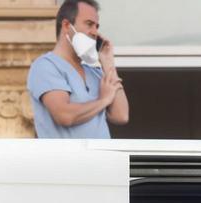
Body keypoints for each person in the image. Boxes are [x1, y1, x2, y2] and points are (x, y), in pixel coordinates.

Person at [26, 0, 129, 139]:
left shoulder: (95, 71)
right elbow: (64, 116)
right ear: (67, 25)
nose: (95, 32)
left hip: (102, 160)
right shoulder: (46, 66)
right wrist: (103, 101)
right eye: (89, 24)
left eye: (97, 26)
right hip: (67, 160)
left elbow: (121, 115)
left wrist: (108, 63)